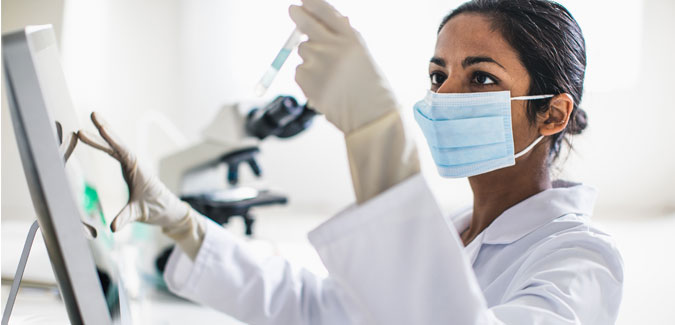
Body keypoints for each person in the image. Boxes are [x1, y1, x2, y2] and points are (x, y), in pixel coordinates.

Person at [77, 0, 624, 323]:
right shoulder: (457, 232)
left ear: (552, 114)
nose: (446, 95)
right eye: (439, 76)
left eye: (481, 77)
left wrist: (376, 135)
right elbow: (318, 309)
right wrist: (183, 224)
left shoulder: (581, 258)